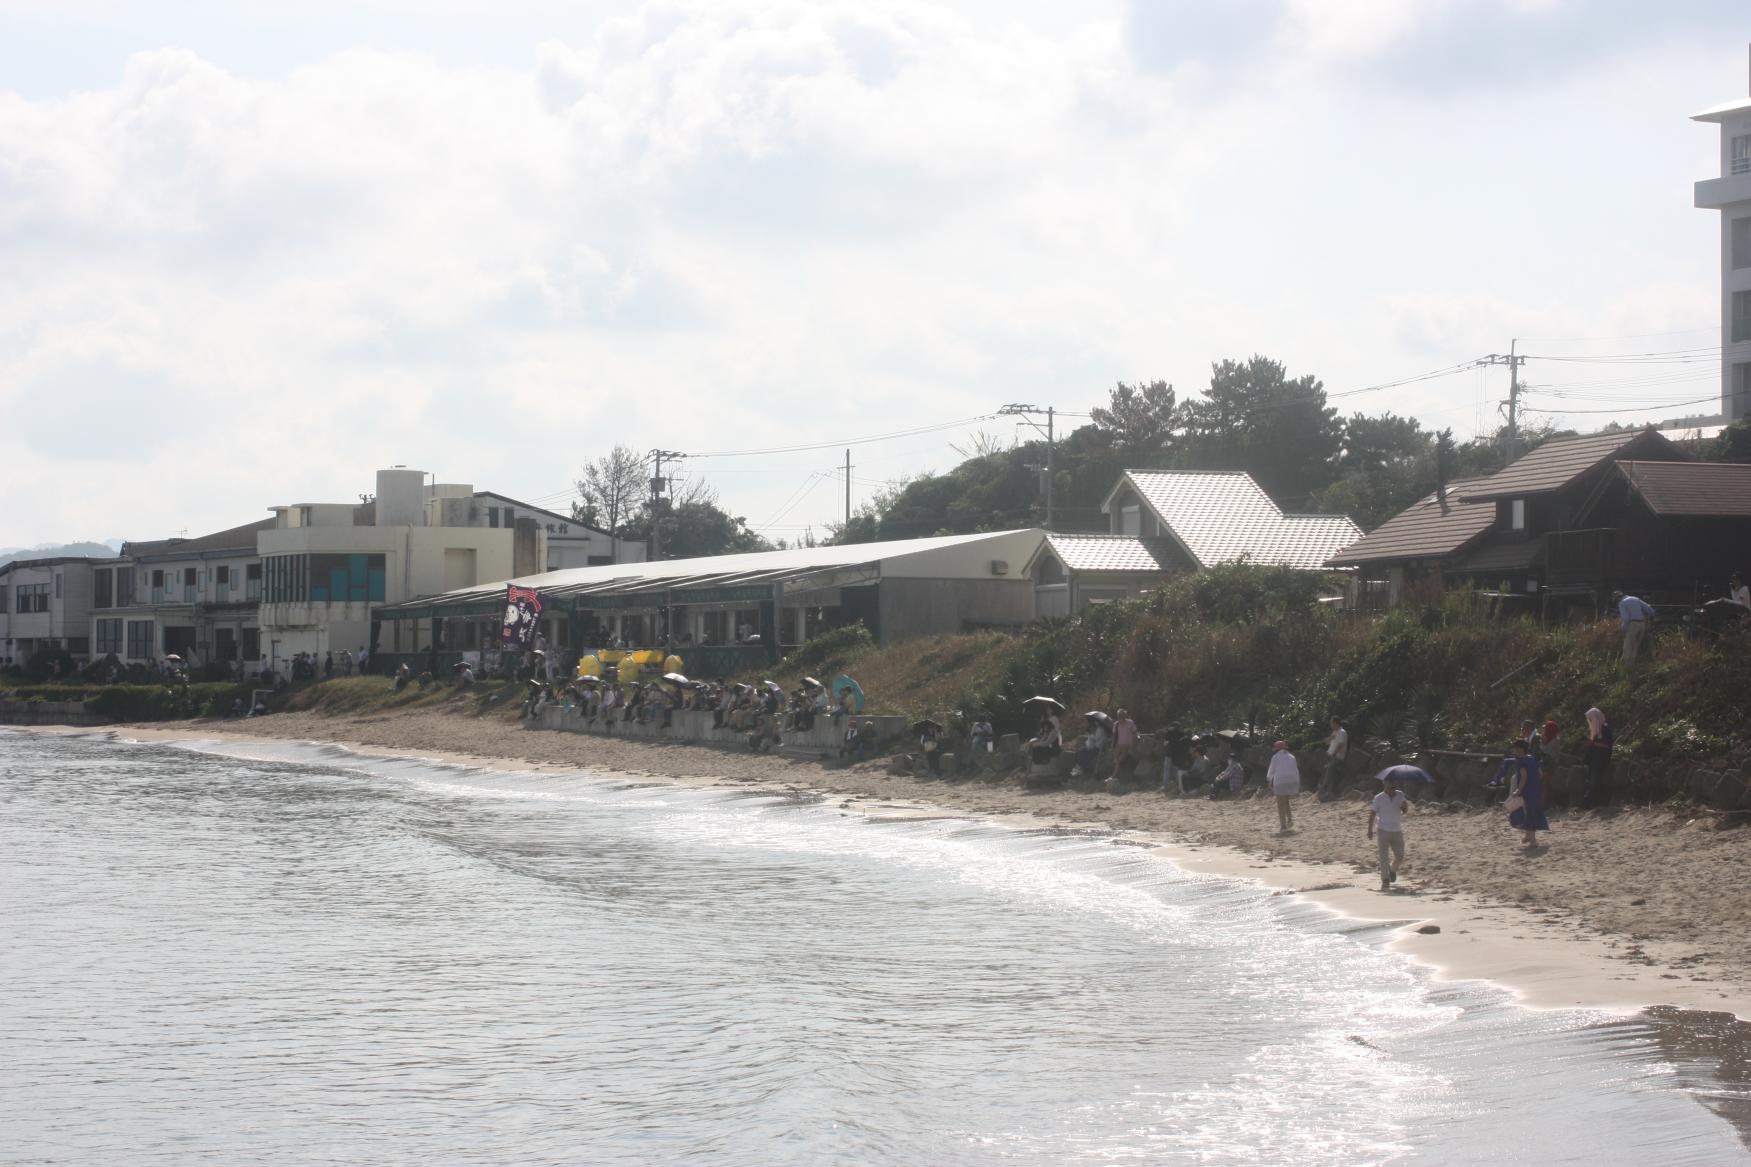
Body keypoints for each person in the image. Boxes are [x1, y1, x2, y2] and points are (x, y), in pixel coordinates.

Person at [1367, 774, 1411, 891]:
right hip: (1382, 830)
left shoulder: (1400, 795)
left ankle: (1392, 870)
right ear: (1385, 787)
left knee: (1400, 856)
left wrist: (1405, 806)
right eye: (1391, 787)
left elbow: (1404, 811)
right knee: (1383, 857)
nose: (1393, 789)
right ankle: (1385, 880)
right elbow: (1372, 814)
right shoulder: (1378, 798)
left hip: (1397, 830)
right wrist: (1370, 830)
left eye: (1394, 787)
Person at [1505, 739, 1550, 847]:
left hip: (1527, 791)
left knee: (1528, 814)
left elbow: (1523, 777)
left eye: (1515, 748)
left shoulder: (1521, 761)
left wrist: (1518, 790)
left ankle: (1533, 841)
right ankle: (1528, 836)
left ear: (1520, 749)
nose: (1513, 750)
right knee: (1533, 812)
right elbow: (1540, 774)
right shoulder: (1532, 758)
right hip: (1536, 789)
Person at [1581, 706, 1612, 809]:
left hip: (1601, 759)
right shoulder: (1595, 729)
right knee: (1590, 781)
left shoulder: (1605, 728)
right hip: (1593, 759)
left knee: (1594, 781)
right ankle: (1591, 803)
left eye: (1591, 719)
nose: (1589, 721)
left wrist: (1592, 743)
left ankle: (1587, 804)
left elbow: (1607, 745)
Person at [1267, 740, 1301, 833]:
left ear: (1276, 749)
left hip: (1280, 781)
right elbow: (1296, 770)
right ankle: (1289, 819)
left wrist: (1269, 780)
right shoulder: (1292, 757)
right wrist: (1297, 783)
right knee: (1286, 801)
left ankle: (1283, 826)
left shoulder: (1275, 757)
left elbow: (1271, 771)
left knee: (1280, 804)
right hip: (1291, 781)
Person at [1616, 591, 1655, 670]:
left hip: (1633, 624)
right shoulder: (1635, 598)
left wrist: (1623, 628)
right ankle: (1634, 665)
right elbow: (1650, 609)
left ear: (1617, 598)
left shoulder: (1622, 603)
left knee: (1628, 646)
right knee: (1635, 646)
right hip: (1642, 624)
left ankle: (1628, 667)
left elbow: (1626, 618)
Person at [1321, 716, 1349, 800]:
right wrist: (1329, 738)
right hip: (1331, 756)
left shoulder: (1342, 732)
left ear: (1336, 723)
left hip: (1337, 756)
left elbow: (1341, 745)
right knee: (1327, 769)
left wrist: (1333, 754)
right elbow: (1326, 742)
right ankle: (1325, 787)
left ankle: (1326, 787)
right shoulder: (1335, 732)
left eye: (1332, 723)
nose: (1331, 725)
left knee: (1330, 769)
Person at [1112, 709, 1139, 782]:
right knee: (1115, 760)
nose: (1120, 717)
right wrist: (1113, 746)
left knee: (1119, 760)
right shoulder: (1116, 724)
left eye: (1122, 715)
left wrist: (1134, 743)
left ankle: (1113, 776)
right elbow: (1114, 736)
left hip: (1127, 746)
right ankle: (1115, 776)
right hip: (1119, 745)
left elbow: (1135, 733)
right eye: (1119, 715)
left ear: (1125, 715)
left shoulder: (1130, 722)